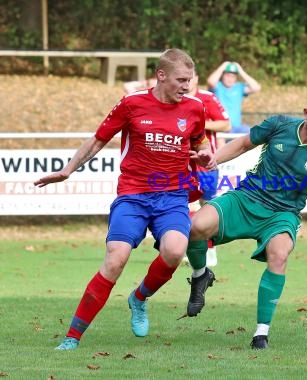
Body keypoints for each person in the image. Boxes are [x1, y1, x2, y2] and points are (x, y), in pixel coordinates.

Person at [34, 48, 215, 350]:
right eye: (181, 80)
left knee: (174, 250)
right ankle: (72, 337)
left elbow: (200, 140)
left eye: (189, 80)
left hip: (172, 196)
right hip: (133, 195)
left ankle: (139, 298)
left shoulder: (195, 107)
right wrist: (68, 170)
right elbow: (98, 139)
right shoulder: (132, 104)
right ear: (161, 75)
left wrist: (206, 153)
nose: (186, 86)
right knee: (115, 258)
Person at [183, 84, 307, 350]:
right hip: (247, 198)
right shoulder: (280, 125)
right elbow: (243, 143)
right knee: (194, 227)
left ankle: (261, 334)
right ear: (306, 112)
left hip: (282, 214)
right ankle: (201, 275)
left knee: (279, 254)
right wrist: (214, 160)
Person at [178, 69, 231, 267]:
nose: (187, 82)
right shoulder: (175, 99)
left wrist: (201, 123)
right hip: (182, 165)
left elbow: (226, 124)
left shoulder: (207, 98)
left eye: (190, 78)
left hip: (206, 165)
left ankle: (210, 250)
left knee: (207, 208)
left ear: (197, 79)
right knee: (184, 206)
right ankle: (187, 248)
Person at [207, 61, 261, 135]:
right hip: (221, 127)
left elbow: (256, 87)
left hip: (236, 128)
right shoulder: (217, 86)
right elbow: (210, 81)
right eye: (228, 75)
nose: (230, 79)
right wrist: (222, 66)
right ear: (222, 75)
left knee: (250, 132)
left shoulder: (239, 87)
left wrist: (241, 71)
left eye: (233, 76)